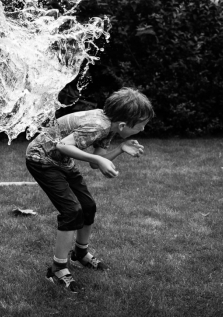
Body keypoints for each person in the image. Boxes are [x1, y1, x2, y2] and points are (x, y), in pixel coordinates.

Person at [25, 87, 154, 293]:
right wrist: (96, 158)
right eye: (141, 126)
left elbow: (97, 161)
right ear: (123, 125)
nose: (143, 130)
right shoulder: (98, 126)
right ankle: (57, 269)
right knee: (72, 212)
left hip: (60, 161)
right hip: (41, 159)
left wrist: (120, 149)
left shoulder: (109, 127)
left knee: (88, 206)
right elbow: (63, 146)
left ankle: (81, 253)